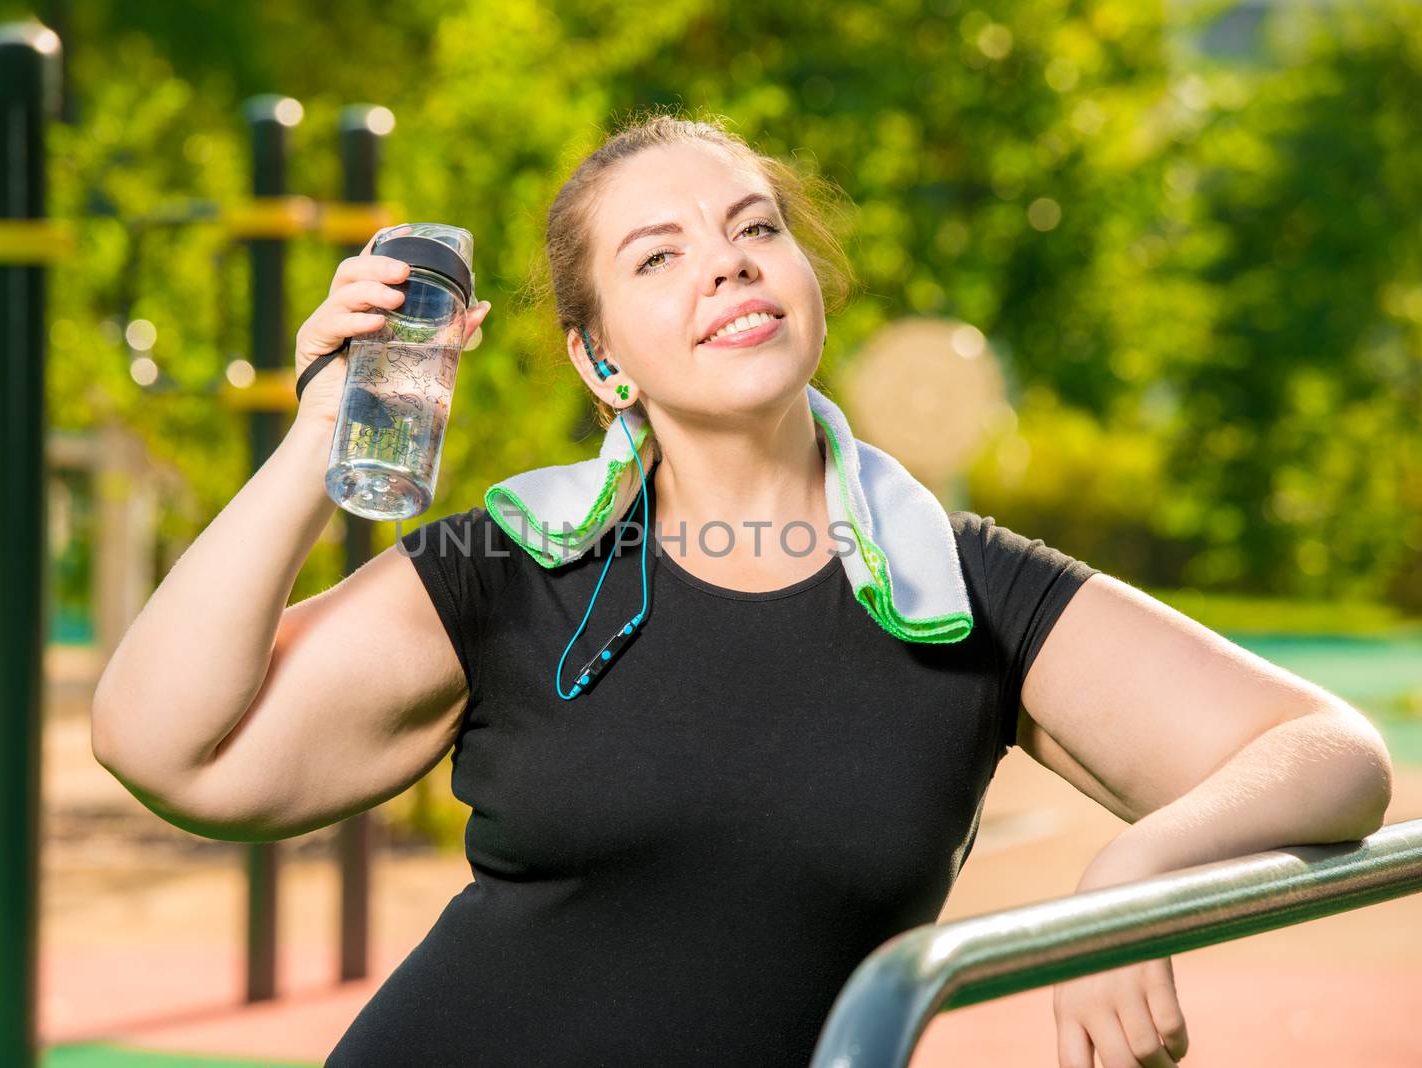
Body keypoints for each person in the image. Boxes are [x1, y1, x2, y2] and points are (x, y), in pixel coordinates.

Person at [93, 113, 1391, 1068]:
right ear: (602, 364)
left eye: (754, 229)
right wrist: (318, 446)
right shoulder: (508, 566)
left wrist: (1138, 872)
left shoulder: (959, 587)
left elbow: (1327, 751)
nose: (725, 264)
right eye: (657, 258)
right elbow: (167, 752)